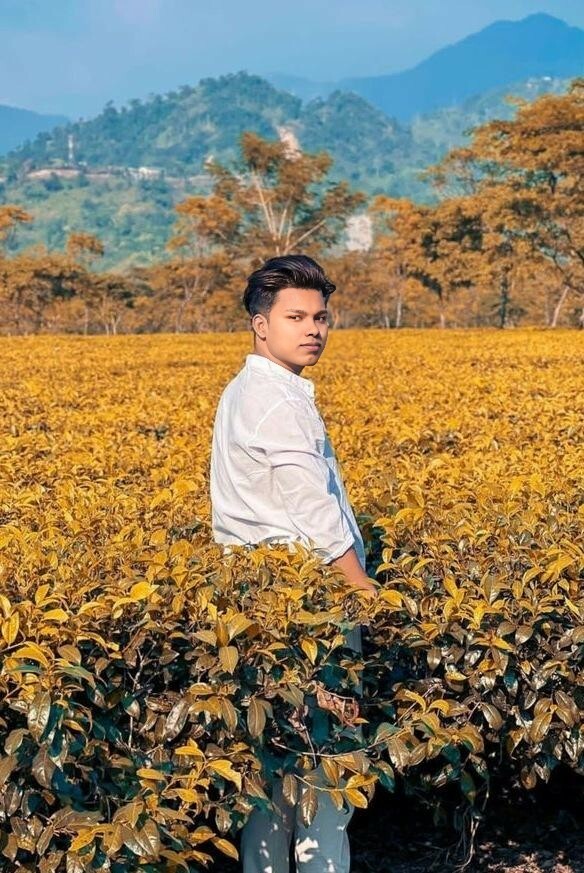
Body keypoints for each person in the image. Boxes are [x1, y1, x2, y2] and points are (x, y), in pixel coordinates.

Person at [209, 253, 378, 873]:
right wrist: (360, 588)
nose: (313, 329)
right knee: (326, 776)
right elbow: (314, 508)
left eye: (320, 317)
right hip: (310, 608)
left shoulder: (245, 390)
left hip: (258, 601)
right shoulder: (277, 401)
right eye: (295, 317)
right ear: (261, 324)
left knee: (271, 772)